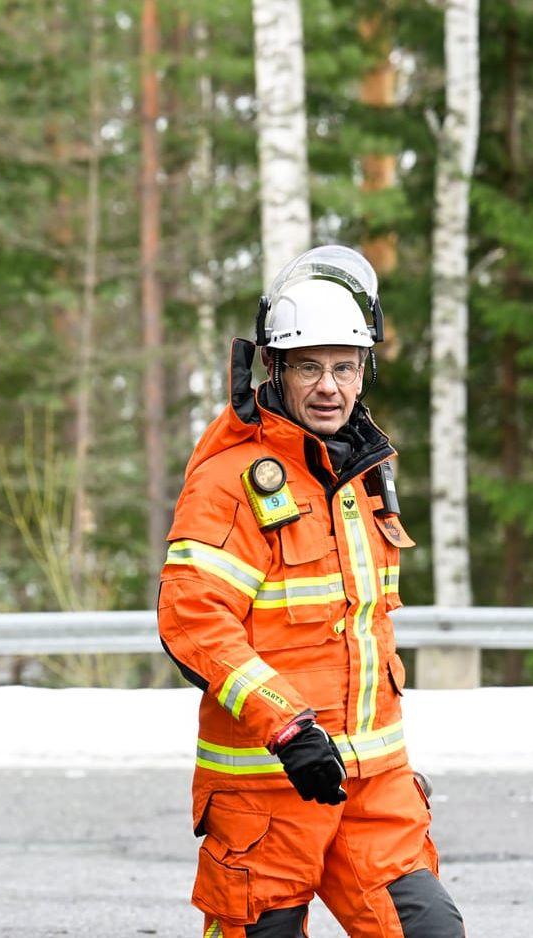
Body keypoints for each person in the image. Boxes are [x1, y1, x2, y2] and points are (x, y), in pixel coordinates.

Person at [157, 246, 465, 937]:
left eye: (344, 367)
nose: (329, 387)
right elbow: (193, 621)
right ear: (277, 369)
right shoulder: (231, 480)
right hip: (267, 795)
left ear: (365, 371)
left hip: (372, 791)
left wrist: (383, 759)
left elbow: (359, 629)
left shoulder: (363, 474)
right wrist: (288, 728)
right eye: (309, 367)